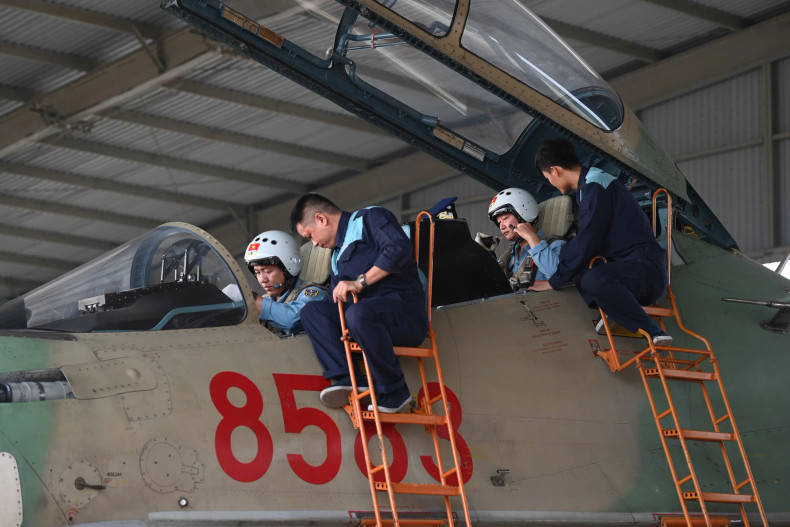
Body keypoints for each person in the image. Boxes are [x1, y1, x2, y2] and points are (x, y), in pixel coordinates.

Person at [291, 193, 428, 413]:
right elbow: (334, 303)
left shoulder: (370, 218)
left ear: (321, 219)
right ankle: (350, 377)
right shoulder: (336, 258)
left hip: (404, 316)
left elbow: (399, 249)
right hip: (365, 321)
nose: (314, 244)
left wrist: (360, 282)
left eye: (310, 236)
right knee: (313, 311)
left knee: (359, 313)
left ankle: (395, 390)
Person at [530, 139, 672, 346]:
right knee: (580, 268)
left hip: (645, 271)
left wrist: (555, 281)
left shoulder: (596, 186)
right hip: (628, 268)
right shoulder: (587, 187)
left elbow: (589, 239)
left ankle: (653, 331)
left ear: (555, 170)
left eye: (547, 177)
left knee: (592, 279)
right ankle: (615, 306)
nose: (550, 182)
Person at [244, 230, 326, 334]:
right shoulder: (266, 299)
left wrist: (260, 305)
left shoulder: (313, 295)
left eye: (268, 271)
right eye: (257, 272)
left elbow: (293, 320)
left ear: (288, 268)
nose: (262, 280)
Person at [487, 187, 565, 289]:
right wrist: (484, 255)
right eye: (499, 222)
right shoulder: (507, 257)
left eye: (505, 218)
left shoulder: (557, 245)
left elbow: (560, 277)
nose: (501, 227)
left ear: (523, 213)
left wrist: (531, 237)